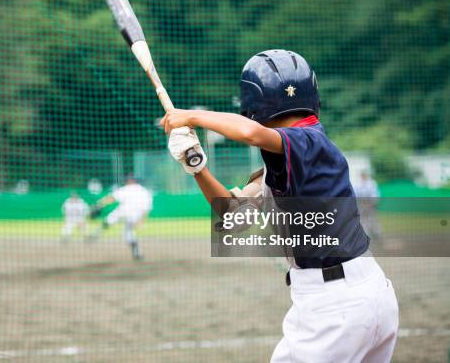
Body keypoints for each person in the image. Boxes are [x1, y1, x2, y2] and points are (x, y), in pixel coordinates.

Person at [161, 50, 399, 362]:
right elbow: (234, 215)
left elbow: (250, 133)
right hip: (360, 297)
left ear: (254, 104)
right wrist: (196, 166)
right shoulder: (290, 160)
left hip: (335, 306)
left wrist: (190, 116)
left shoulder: (308, 140)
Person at [89, 176, 153, 260]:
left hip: (124, 210)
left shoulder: (127, 188)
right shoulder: (145, 191)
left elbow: (112, 198)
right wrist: (141, 221)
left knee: (109, 219)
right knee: (129, 233)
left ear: (131, 181)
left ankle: (96, 233)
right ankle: (137, 253)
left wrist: (99, 204)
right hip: (135, 215)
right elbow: (147, 208)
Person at [354, 171, 382, 240]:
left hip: (371, 204)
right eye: (362, 175)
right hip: (361, 204)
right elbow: (356, 194)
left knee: (373, 220)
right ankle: (366, 235)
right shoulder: (358, 184)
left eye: (364, 175)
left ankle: (377, 235)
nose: (363, 176)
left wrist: (372, 202)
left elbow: (375, 194)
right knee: (363, 220)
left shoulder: (371, 183)